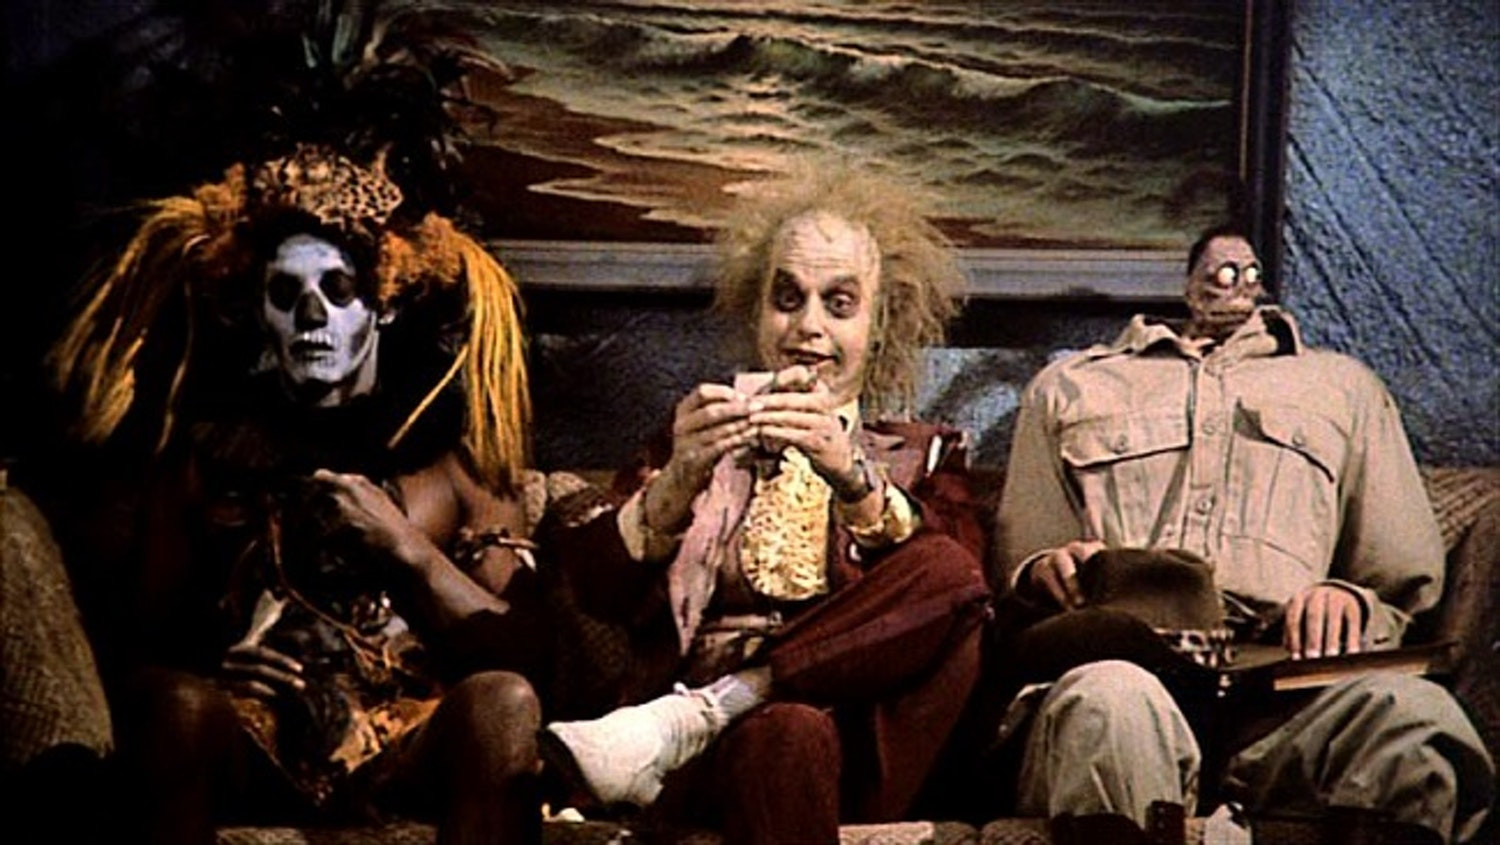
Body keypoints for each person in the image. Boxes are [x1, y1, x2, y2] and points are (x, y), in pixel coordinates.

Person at [42, 11, 550, 837]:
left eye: (338, 292)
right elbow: (135, 648)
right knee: (172, 703)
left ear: (383, 304)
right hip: (254, 731)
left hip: (406, 734)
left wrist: (405, 548)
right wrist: (217, 660)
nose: (313, 317)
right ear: (260, 313)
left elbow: (528, 657)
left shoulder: (454, 463)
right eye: (287, 295)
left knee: (503, 701)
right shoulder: (206, 453)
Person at [536, 161, 991, 845]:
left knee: (947, 571)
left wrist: (853, 476)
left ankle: (704, 711)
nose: (808, 326)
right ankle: (703, 718)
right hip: (699, 766)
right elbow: (594, 588)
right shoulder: (695, 434)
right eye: (787, 298)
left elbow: (959, 588)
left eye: (840, 304)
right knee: (784, 732)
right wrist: (677, 481)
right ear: (757, 310)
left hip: (858, 740)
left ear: (878, 324)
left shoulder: (926, 455)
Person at [994, 224, 1495, 841]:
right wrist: (1048, 570)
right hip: (1131, 668)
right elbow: (1019, 567)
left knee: (1416, 718)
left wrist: (1351, 600)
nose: (1236, 287)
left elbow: (1401, 582)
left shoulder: (1344, 388)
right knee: (1107, 705)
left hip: (1290, 692)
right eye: (1222, 272)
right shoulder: (1071, 387)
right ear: (1190, 283)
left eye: (1248, 274)